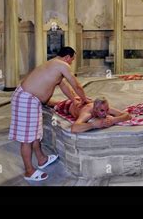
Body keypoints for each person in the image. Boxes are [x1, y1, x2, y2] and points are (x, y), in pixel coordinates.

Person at [8, 46, 88, 182]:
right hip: (26, 99)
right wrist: (85, 99)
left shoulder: (54, 64)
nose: (71, 63)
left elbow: (64, 86)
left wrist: (75, 99)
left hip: (31, 100)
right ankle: (29, 171)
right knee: (27, 139)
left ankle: (42, 159)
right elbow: (76, 85)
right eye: (72, 60)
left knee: (35, 134)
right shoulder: (62, 65)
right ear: (67, 57)